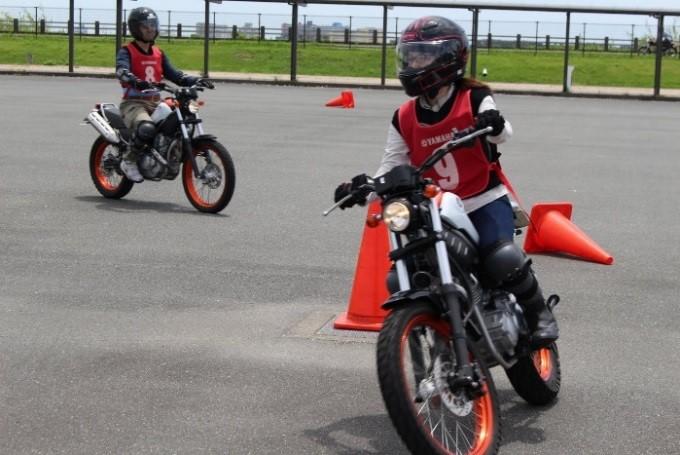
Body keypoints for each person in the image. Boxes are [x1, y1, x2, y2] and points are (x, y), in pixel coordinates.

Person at [333, 16, 558, 347]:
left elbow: (503, 133)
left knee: (501, 257)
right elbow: (391, 166)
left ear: (450, 57)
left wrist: (493, 124)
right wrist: (360, 189)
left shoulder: (475, 97)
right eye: (410, 55)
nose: (414, 63)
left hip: (483, 198)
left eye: (423, 55)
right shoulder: (404, 116)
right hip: (436, 208)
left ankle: (539, 314)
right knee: (401, 277)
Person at [115, 6, 214, 182]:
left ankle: (165, 155)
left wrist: (196, 81)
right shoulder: (127, 51)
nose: (150, 29)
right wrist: (134, 80)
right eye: (145, 26)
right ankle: (128, 160)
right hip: (134, 103)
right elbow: (121, 70)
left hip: (154, 101)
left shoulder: (158, 53)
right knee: (146, 128)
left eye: (153, 25)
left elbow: (175, 75)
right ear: (135, 28)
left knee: (177, 121)